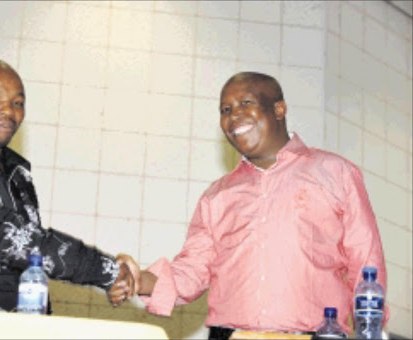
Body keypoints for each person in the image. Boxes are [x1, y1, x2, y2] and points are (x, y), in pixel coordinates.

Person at [114, 72, 388, 339]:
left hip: (318, 334)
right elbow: (192, 270)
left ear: (279, 109)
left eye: (246, 103)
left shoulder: (336, 173)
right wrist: (141, 280)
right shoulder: (217, 196)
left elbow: (366, 262)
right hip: (231, 335)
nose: (233, 116)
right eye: (225, 109)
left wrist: (372, 331)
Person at [0, 58, 132, 312]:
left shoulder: (19, 174)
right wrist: (109, 272)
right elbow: (13, 240)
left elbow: (32, 262)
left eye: (17, 103)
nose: (8, 111)